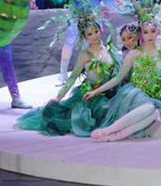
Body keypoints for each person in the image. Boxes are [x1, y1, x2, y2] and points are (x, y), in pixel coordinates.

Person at [16, 8, 118, 136]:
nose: (94, 36)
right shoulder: (85, 55)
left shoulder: (109, 49)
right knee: (100, 110)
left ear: (101, 30)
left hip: (110, 90)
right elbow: (72, 78)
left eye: (96, 31)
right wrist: (59, 97)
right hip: (91, 94)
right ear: (84, 37)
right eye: (90, 34)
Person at [84, 17, 161, 142]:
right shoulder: (134, 53)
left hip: (154, 96)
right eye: (145, 32)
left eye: (152, 31)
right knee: (149, 108)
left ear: (157, 31)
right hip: (135, 92)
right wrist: (96, 91)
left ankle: (114, 137)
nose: (150, 35)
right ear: (140, 34)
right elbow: (118, 78)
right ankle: (108, 130)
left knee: (155, 113)